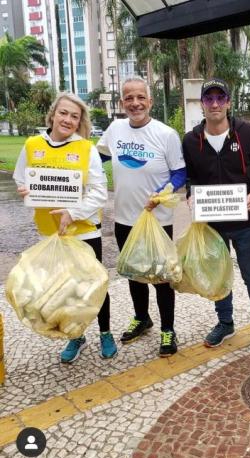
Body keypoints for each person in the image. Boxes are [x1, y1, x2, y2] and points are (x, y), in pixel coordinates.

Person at [13, 92, 117, 363]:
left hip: (84, 231)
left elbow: (99, 192)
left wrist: (73, 212)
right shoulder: (33, 145)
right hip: (50, 232)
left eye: (74, 116)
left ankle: (105, 333)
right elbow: (21, 176)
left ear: (79, 121)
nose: (68, 120)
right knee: (65, 288)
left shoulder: (86, 148)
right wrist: (24, 189)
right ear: (52, 114)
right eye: (63, 113)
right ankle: (76, 336)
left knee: (95, 285)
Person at [182, 78, 250, 358]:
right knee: (219, 276)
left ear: (228, 102)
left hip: (244, 223)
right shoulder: (191, 140)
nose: (214, 104)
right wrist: (190, 194)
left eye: (219, 98)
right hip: (212, 226)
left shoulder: (247, 132)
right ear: (202, 104)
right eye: (208, 99)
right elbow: (191, 176)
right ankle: (225, 323)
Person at [97, 77, 186, 357]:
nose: (135, 103)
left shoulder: (166, 134)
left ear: (150, 100)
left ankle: (168, 331)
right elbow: (96, 159)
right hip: (124, 219)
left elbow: (180, 173)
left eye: (140, 97)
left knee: (161, 278)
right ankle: (142, 318)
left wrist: (161, 192)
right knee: (134, 274)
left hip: (158, 220)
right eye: (128, 98)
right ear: (122, 103)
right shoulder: (115, 129)